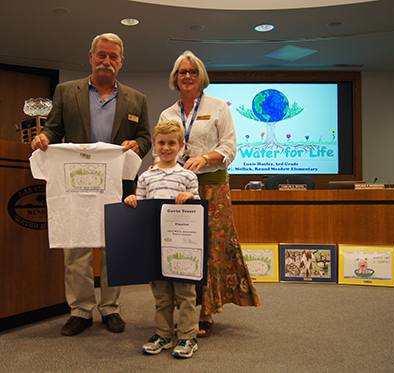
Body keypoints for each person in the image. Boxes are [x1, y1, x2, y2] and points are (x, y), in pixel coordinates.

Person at [31, 33, 151, 336]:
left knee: (114, 249)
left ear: (121, 62)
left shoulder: (137, 99)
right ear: (91, 57)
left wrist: (136, 145)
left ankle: (110, 308)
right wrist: (44, 138)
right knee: (76, 250)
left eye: (113, 57)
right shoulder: (65, 91)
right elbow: (53, 129)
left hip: (117, 188)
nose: (106, 61)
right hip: (76, 187)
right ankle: (81, 310)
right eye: (101, 55)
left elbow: (146, 138)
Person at [157, 50, 260, 338]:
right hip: (178, 187)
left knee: (212, 248)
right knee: (184, 244)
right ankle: (188, 309)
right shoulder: (168, 114)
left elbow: (230, 147)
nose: (187, 76)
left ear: (202, 77)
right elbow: (160, 149)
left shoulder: (218, 107)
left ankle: (206, 312)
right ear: (175, 79)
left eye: (192, 72)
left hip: (212, 185)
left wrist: (204, 158)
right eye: (182, 72)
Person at [124, 119, 199, 358]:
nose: (166, 148)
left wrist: (190, 196)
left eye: (172, 143)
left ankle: (188, 337)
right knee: (161, 293)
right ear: (154, 145)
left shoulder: (188, 176)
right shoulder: (146, 177)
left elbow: (197, 206)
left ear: (181, 145)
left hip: (183, 245)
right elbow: (142, 205)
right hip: (156, 244)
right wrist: (132, 201)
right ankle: (164, 334)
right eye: (161, 143)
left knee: (186, 292)